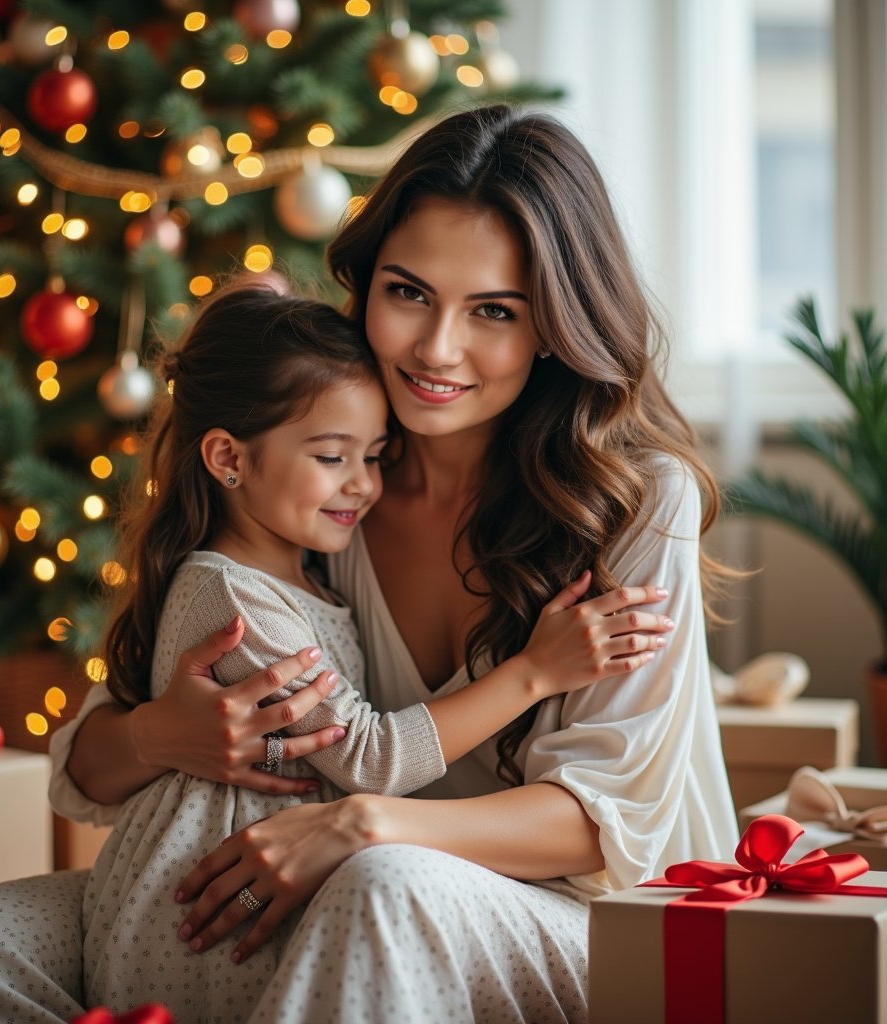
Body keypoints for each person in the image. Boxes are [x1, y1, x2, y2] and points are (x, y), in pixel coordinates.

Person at [0, 103, 737, 1024]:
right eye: (408, 293)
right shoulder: (326, 482)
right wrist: (169, 735)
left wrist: (360, 824)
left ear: (555, 325)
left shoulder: (635, 500)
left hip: (578, 916)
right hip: (329, 871)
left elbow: (605, 824)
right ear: (366, 285)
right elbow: (85, 764)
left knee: (384, 886)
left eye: (493, 312)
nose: (437, 349)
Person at [79, 284, 669, 1016]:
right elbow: (371, 758)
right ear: (228, 457)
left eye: (376, 455)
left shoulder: (305, 567)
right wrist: (534, 672)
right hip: (216, 900)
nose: (362, 485)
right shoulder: (234, 598)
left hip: (291, 878)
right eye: (333, 456)